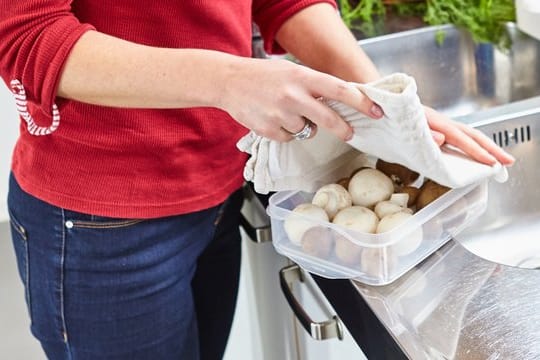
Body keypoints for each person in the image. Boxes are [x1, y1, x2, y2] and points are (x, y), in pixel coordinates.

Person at [0, 1, 514, 359]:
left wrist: (384, 105)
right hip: (101, 222)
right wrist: (228, 79)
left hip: (219, 183)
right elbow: (29, 36)